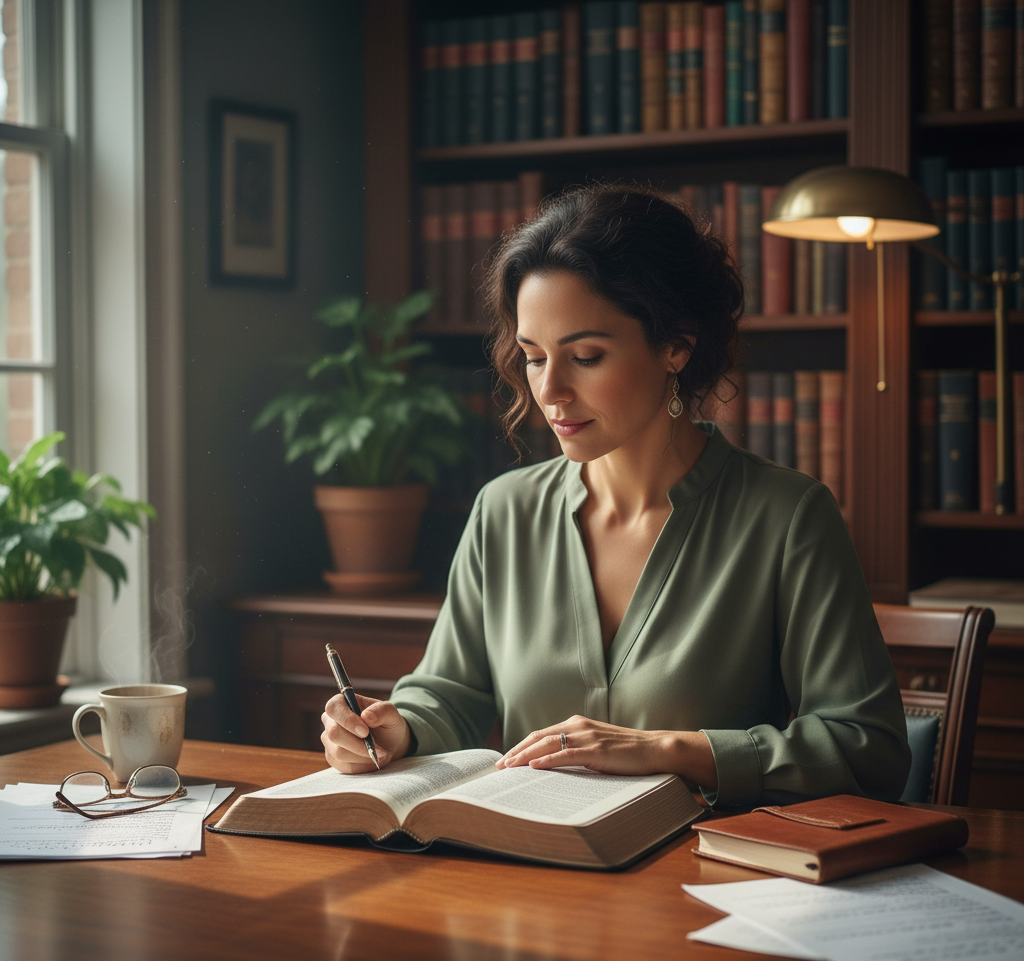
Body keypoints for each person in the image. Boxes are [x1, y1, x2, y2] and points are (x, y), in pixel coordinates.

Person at [321, 184, 911, 808]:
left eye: (586, 356)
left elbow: (867, 748)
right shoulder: (504, 511)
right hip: (529, 876)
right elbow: (449, 693)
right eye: (533, 357)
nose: (550, 391)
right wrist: (397, 728)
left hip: (702, 881)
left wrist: (668, 750)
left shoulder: (788, 517)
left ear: (676, 345)